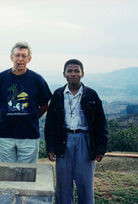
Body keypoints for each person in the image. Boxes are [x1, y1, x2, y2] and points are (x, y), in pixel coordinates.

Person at [45, 59, 108, 204]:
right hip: (63, 140)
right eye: (70, 71)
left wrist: (100, 148)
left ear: (82, 74)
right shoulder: (58, 94)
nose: (73, 74)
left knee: (85, 184)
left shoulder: (91, 95)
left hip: (85, 141)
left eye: (76, 71)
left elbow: (101, 124)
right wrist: (50, 147)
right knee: (63, 184)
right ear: (64, 74)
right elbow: (50, 124)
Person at [0, 41, 52, 163]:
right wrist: (5, 114)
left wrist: (32, 117)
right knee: (5, 174)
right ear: (11, 57)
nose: (20, 59)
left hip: (29, 136)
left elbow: (44, 105)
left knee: (26, 175)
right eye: (17, 55)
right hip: (4, 135)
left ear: (29, 59)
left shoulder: (37, 79)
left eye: (24, 56)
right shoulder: (1, 78)